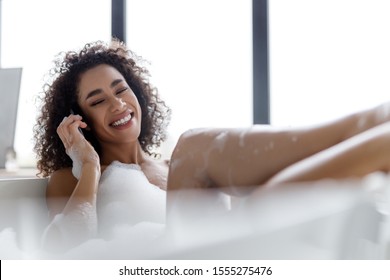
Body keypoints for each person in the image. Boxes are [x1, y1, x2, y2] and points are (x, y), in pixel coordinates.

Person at [34, 38, 390, 252]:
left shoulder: (175, 168)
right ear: (77, 121)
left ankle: (374, 131)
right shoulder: (76, 178)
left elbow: (243, 216)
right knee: (194, 146)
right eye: (97, 101)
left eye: (121, 89)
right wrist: (90, 165)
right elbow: (66, 253)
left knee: (276, 193)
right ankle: (365, 124)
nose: (118, 105)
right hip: (179, 262)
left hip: (231, 251)